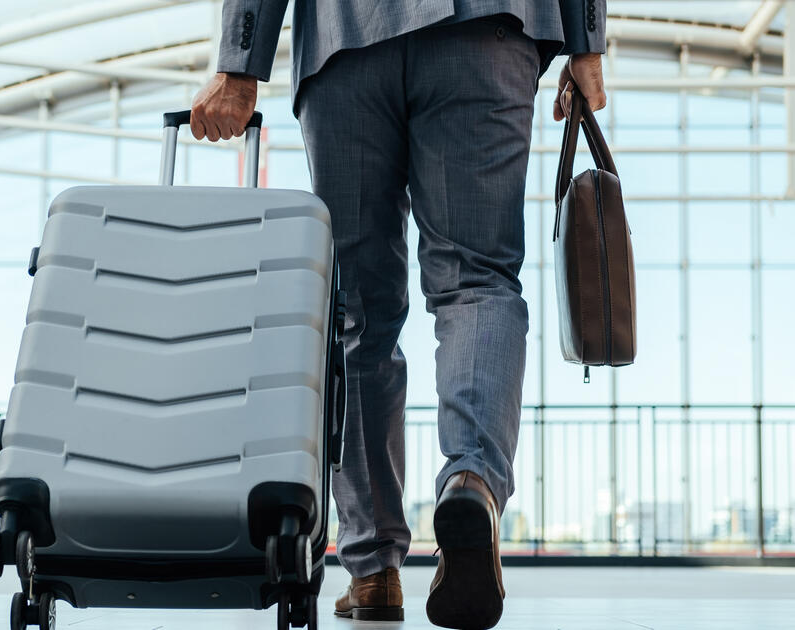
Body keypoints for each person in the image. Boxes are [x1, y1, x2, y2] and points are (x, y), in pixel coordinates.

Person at [191, 2, 607, 628]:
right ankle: (472, 481)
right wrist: (587, 42)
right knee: (478, 281)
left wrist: (240, 62)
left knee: (358, 317)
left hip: (345, 46)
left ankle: (373, 566)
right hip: (484, 33)